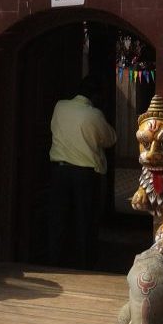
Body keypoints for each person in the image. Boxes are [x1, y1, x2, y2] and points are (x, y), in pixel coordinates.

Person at [48, 73, 116, 269]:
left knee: (58, 219)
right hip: (84, 174)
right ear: (96, 96)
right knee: (84, 220)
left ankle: (54, 262)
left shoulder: (60, 106)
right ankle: (84, 264)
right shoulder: (94, 115)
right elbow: (110, 139)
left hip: (59, 172)